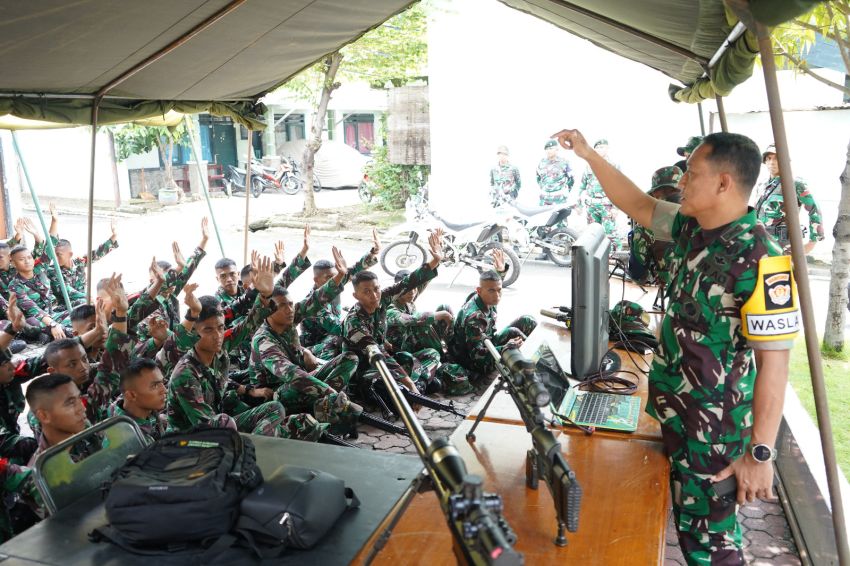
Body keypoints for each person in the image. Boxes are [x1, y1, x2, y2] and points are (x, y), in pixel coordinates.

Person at [551, 127, 798, 564]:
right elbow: (638, 204)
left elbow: (775, 365)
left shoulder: (762, 257)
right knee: (689, 534)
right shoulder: (691, 227)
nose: (682, 182)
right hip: (676, 417)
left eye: (692, 174)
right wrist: (589, 154)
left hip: (713, 436)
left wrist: (760, 453)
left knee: (711, 547)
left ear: (724, 182)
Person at [166, 255, 324, 441]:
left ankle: (256, 448)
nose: (217, 335)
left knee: (275, 408)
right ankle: (253, 451)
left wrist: (264, 295)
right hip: (190, 441)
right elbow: (207, 427)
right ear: (193, 332)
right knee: (229, 422)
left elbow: (250, 323)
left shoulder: (219, 347)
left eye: (220, 328)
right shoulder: (185, 374)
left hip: (221, 423)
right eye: (208, 330)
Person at [250, 247, 361, 431]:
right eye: (282, 306)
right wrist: (330, 391)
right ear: (268, 312)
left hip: (300, 381)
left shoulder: (289, 317)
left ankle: (323, 407)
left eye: (291, 304)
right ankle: (328, 406)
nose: (289, 309)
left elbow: (316, 299)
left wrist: (340, 276)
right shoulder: (264, 340)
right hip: (277, 395)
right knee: (307, 381)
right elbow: (291, 373)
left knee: (350, 358)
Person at [343, 231, 446, 395]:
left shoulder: (381, 299)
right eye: (367, 292)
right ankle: (415, 387)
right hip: (366, 372)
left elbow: (408, 282)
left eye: (376, 289)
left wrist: (435, 260)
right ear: (356, 296)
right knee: (391, 388)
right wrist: (409, 383)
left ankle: (419, 387)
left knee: (422, 356)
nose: (374, 295)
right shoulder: (354, 322)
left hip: (385, 361)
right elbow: (378, 354)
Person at [449, 249, 537, 378]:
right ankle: (530, 366)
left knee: (527, 320)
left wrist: (500, 271)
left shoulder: (484, 296)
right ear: (479, 291)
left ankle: (535, 358)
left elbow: (493, 284)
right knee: (514, 339)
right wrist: (506, 348)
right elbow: (477, 356)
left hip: (488, 342)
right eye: (491, 291)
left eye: (499, 290)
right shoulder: (475, 318)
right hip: (472, 360)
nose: (497, 296)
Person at [300, 229, 380, 360]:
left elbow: (355, 270)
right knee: (344, 338)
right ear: (316, 280)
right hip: (314, 345)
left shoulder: (332, 285)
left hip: (332, 337)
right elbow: (338, 328)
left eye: (335, 275)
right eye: (328, 277)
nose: (334, 280)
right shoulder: (313, 303)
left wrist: (373, 252)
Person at [755, 143, 824, 253]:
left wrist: (812, 242)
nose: (772, 162)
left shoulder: (795, 184)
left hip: (783, 246)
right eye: (769, 158)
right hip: (761, 243)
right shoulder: (762, 185)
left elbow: (814, 209)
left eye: (777, 158)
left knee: (782, 271)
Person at [627, 166, 683, 286]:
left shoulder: (646, 225)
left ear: (657, 193)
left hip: (676, 295)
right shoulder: (705, 215)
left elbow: (638, 275)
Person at [48, 214, 119, 299]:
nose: (55, 258)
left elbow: (97, 253)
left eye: (59, 255)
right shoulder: (53, 271)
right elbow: (67, 291)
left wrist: (114, 236)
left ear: (70, 254)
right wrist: (88, 297)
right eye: (54, 255)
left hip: (84, 301)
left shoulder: (79, 262)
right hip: (66, 307)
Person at [576, 139, 622, 249]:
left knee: (611, 234)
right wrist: (579, 205)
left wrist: (616, 208)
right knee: (592, 234)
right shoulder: (589, 165)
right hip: (592, 206)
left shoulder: (614, 165)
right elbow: (582, 186)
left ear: (607, 149)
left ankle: (616, 258)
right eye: (597, 148)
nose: (600, 150)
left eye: (602, 147)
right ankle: (595, 259)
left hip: (607, 206)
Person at [107, 358, 167, 442]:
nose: (164, 390)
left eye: (162, 382)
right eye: (155, 386)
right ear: (131, 395)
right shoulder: (130, 440)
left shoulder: (125, 402)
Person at [535, 139, 573, 206]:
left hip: (559, 199)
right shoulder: (541, 163)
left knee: (560, 216)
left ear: (557, 149)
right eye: (546, 149)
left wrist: (566, 192)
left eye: (551, 148)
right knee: (544, 216)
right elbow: (538, 178)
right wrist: (545, 188)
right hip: (544, 199)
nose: (548, 151)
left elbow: (571, 179)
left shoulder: (564, 162)